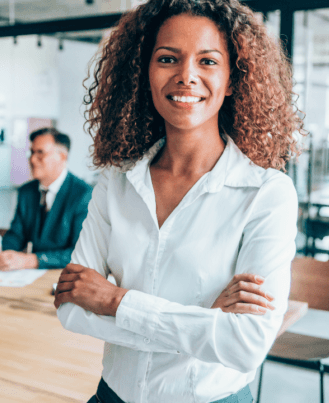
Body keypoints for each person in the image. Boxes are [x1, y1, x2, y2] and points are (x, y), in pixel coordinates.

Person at [54, 1, 306, 402]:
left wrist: (112, 300)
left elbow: (246, 345)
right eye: (168, 58)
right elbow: (70, 307)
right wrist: (206, 324)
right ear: (144, 74)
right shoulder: (116, 182)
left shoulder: (267, 194)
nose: (186, 76)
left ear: (232, 79)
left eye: (207, 61)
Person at [0, 128, 92, 270]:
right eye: (32, 152)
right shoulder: (26, 191)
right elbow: (16, 235)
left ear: (62, 157)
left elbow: (80, 253)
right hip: (29, 277)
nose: (32, 159)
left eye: (40, 153)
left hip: (64, 276)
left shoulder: (84, 194)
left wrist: (30, 260)